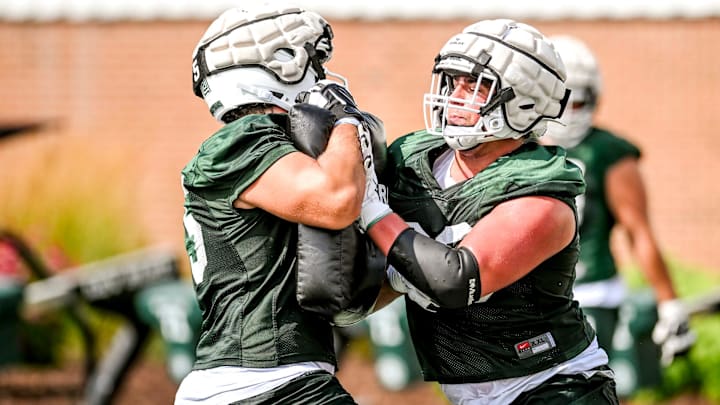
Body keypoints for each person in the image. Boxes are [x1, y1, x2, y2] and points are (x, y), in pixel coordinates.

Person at [357, 19, 620, 404]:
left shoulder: (542, 190)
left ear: (524, 100)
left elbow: (453, 281)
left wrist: (371, 209)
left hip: (551, 385)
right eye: (453, 82)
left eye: (475, 85)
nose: (455, 96)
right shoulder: (414, 158)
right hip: (469, 392)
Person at [175, 4, 380, 404]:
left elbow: (337, 301)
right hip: (263, 381)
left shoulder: (275, 156)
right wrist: (346, 119)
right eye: (311, 63)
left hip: (271, 379)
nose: (319, 77)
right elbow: (337, 199)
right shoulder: (243, 138)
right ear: (272, 66)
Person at [541, 36, 695, 369]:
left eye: (577, 102)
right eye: (558, 101)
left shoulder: (607, 152)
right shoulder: (516, 147)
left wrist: (668, 301)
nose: (566, 114)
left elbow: (637, 230)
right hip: (527, 295)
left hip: (590, 292)